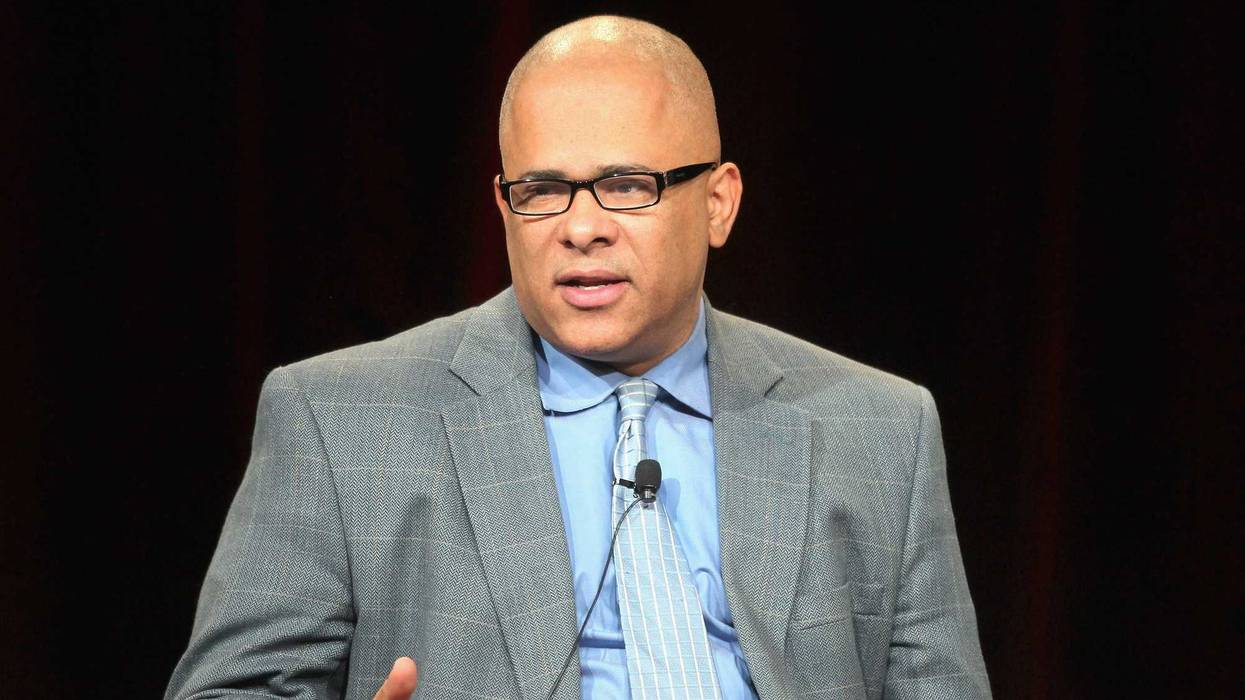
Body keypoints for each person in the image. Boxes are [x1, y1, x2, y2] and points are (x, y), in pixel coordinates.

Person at [166, 15, 990, 700]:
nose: (581, 225)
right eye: (542, 190)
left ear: (717, 202)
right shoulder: (340, 421)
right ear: (503, 206)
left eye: (627, 185)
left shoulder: (879, 429)